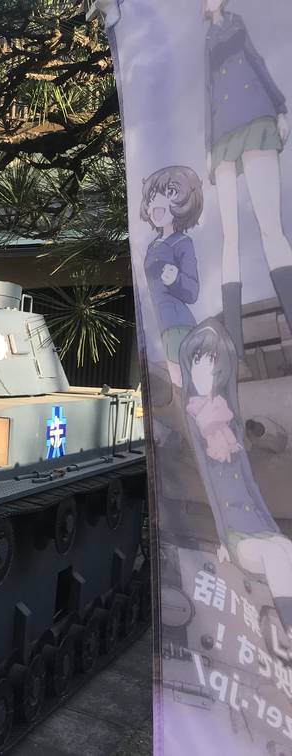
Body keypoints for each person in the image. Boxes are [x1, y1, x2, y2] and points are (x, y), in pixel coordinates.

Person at [179, 319, 292, 629]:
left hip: (258, 526)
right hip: (235, 533)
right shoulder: (194, 420)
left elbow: (251, 486)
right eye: (200, 360)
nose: (207, 371)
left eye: (214, 363)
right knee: (275, 556)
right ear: (190, 363)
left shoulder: (229, 419)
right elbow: (210, 483)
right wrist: (223, 539)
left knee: (285, 549)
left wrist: (273, 529)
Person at [204, 0, 292, 356]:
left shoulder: (235, 24)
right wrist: (208, 145)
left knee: (271, 226)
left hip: (255, 116)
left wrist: (280, 108)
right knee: (229, 237)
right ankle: (236, 352)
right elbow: (208, 89)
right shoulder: (207, 38)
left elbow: (256, 61)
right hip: (222, 134)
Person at [140, 165, 203, 385]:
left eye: (169, 192)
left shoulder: (183, 242)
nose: (155, 203)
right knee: (175, 385)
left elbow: (192, 291)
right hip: (158, 327)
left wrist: (175, 279)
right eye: (151, 197)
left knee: (185, 383)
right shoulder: (151, 247)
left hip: (178, 325)